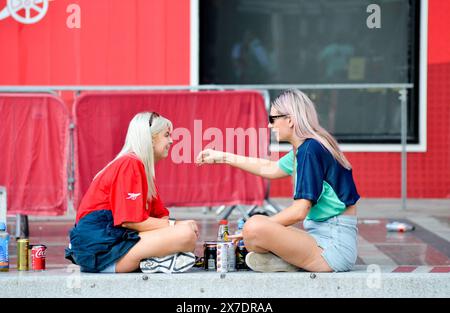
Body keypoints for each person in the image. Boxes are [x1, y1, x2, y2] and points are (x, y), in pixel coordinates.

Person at [196, 89, 360, 272]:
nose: (269, 125)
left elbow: (299, 211)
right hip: (323, 240)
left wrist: (252, 230)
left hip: (332, 249)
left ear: (290, 119)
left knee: (254, 227)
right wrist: (222, 157)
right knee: (255, 228)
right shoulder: (307, 147)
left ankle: (291, 260)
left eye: (273, 119)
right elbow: (271, 168)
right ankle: (288, 262)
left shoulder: (310, 150)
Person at [65, 112, 199, 273]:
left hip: (110, 245)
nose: (171, 141)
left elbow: (160, 216)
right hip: (100, 251)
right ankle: (157, 260)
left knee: (186, 233)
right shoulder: (129, 164)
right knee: (185, 234)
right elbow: (131, 221)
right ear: (150, 139)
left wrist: (174, 226)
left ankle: (158, 260)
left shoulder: (141, 168)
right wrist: (176, 225)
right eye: (166, 135)